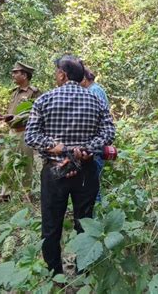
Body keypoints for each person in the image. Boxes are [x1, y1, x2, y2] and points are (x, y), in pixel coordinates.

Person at [25, 55, 115, 275]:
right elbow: (109, 132)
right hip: (86, 170)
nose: (56, 75)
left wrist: (52, 144)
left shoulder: (44, 100)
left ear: (62, 74)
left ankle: (55, 273)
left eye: (57, 72)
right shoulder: (96, 100)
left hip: (55, 171)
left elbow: (31, 136)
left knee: (51, 224)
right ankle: (83, 270)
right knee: (84, 221)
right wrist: (86, 148)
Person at [0, 62, 41, 201]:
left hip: (25, 131)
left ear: (25, 75)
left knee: (26, 163)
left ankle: (27, 193)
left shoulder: (34, 92)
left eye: (16, 72)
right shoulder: (15, 92)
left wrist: (18, 117)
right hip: (12, 132)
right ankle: (5, 193)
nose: (13, 75)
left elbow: (37, 112)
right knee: (7, 161)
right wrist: (4, 117)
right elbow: (12, 112)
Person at [80, 66, 109, 202]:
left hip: (95, 145)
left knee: (92, 183)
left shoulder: (94, 91)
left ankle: (95, 216)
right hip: (94, 143)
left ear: (85, 79)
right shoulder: (94, 90)